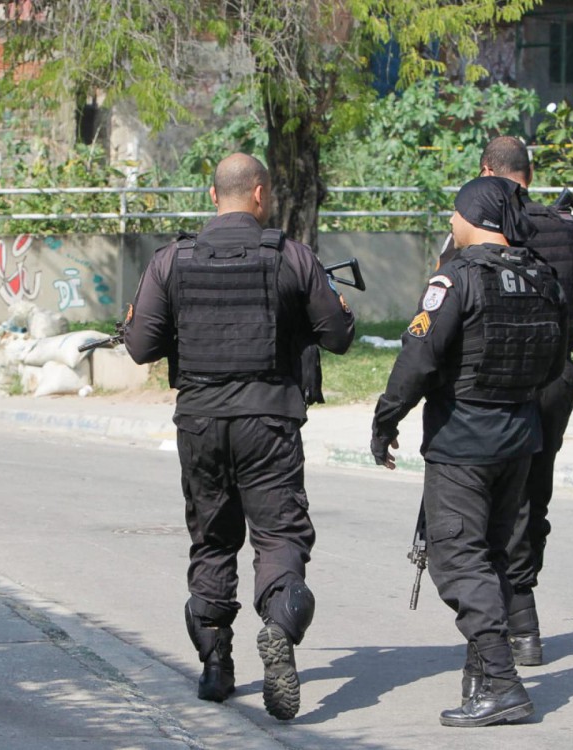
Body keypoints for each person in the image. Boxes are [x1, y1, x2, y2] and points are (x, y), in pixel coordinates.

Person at [122, 153, 355, 721]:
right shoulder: (292, 256)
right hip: (269, 421)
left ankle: (214, 666)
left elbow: (140, 347)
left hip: (200, 423)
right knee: (279, 536)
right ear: (260, 194)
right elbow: (338, 335)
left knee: (212, 540)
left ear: (212, 196)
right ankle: (278, 626)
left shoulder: (171, 260)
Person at [370, 175, 567, 728]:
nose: (451, 224)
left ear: (473, 218)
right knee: (493, 559)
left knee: (458, 562)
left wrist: (385, 421)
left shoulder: (455, 278)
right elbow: (556, 362)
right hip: (519, 438)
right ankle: (479, 679)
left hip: (463, 444)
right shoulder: (542, 276)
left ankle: (502, 684)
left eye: (454, 214)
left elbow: (417, 359)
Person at [477, 137, 573, 668]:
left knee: (493, 504)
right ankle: (522, 615)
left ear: (486, 174)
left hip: (498, 384)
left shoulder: (480, 227)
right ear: (530, 172)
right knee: (533, 497)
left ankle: (513, 617)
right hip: (555, 379)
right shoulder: (570, 228)